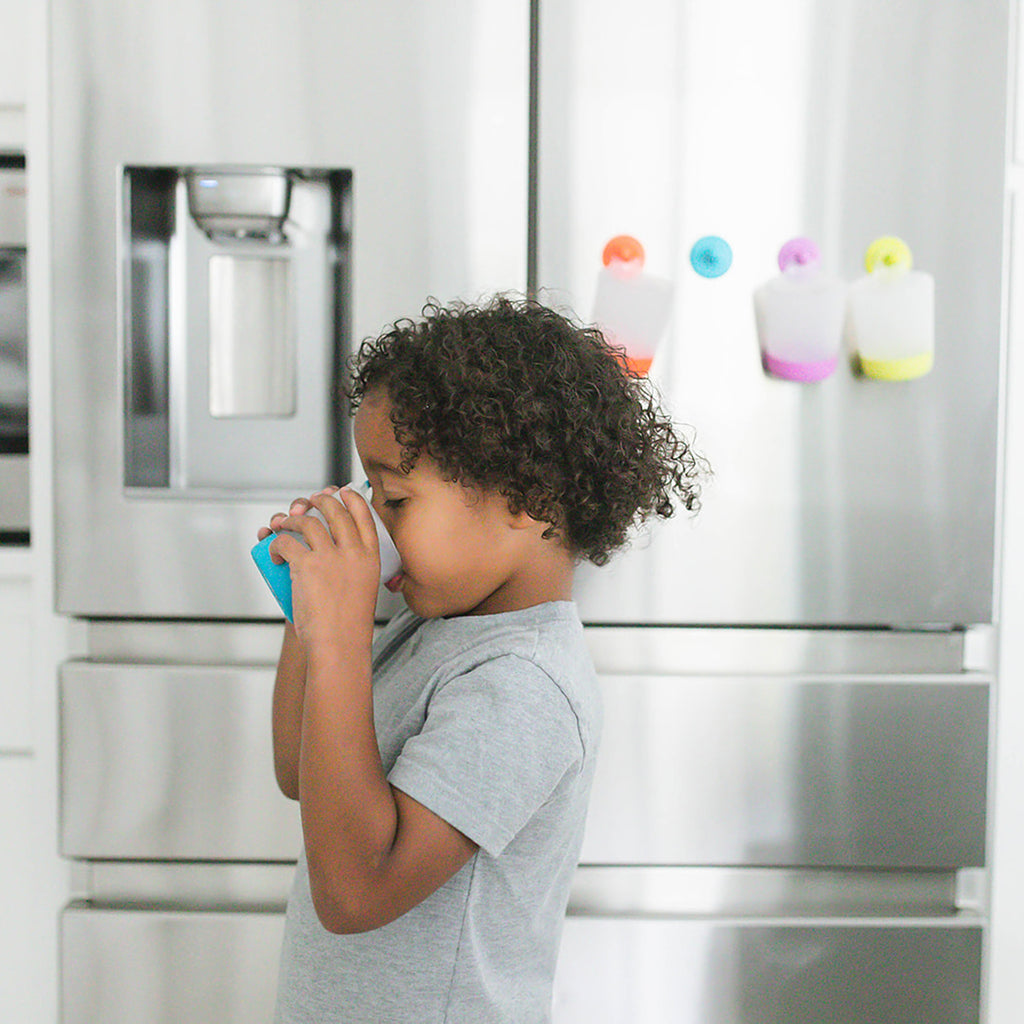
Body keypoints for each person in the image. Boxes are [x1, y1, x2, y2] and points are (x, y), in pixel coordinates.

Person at [258, 294, 704, 1023]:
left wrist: (341, 642)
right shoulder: (433, 624)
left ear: (527, 499)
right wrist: (309, 615)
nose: (374, 518)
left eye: (395, 497)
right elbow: (297, 773)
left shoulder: (524, 688)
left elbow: (355, 892)